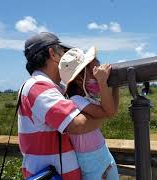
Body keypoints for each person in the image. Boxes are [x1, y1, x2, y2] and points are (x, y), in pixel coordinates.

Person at [19, 32, 110, 179]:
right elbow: (78, 125)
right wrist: (107, 113)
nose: (66, 59)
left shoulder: (53, 88)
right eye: (63, 53)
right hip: (52, 176)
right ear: (52, 54)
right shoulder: (38, 87)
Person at [58, 47, 119, 179]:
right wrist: (102, 82)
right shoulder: (76, 100)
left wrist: (115, 84)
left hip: (103, 153)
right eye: (94, 72)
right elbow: (109, 112)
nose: (97, 76)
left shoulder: (87, 98)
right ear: (80, 79)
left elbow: (111, 110)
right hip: (90, 161)